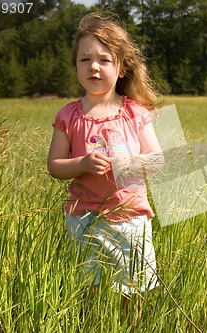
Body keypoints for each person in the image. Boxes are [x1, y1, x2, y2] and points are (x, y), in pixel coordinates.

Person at [47, 12, 163, 319]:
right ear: (75, 66)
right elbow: (55, 165)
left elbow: (157, 159)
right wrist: (82, 163)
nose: (93, 66)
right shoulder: (69, 115)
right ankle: (90, 323)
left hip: (131, 219)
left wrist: (130, 162)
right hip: (85, 219)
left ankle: (130, 324)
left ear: (122, 67)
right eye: (84, 60)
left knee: (132, 287)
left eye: (104, 59)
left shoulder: (135, 113)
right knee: (90, 286)